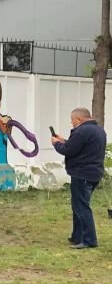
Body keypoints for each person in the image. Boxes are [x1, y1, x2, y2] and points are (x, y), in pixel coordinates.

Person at [52, 107, 107, 249]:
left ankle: (89, 240)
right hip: (94, 173)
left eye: (72, 120)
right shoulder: (99, 130)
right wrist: (64, 140)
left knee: (81, 207)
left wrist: (56, 143)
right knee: (78, 205)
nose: (71, 123)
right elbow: (80, 147)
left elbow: (69, 150)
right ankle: (77, 236)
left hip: (82, 173)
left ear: (79, 119)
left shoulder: (81, 131)